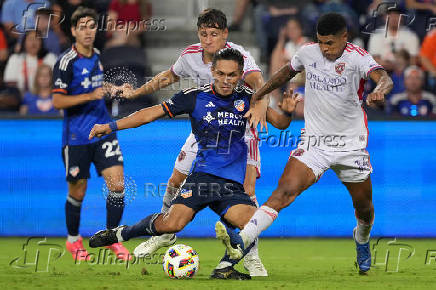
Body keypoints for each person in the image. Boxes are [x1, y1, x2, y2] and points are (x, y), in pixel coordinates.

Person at [87, 48, 300, 279]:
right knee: (171, 224)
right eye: (221, 73)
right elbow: (150, 114)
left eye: (232, 75)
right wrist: (110, 126)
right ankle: (122, 234)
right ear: (212, 71)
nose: (226, 80)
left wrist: (287, 112)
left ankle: (224, 268)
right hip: (201, 179)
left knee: (253, 224)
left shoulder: (247, 99)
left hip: (231, 186)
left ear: (240, 75)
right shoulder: (194, 96)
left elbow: (279, 123)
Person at [218, 13, 393, 275]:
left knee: (364, 209)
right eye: (321, 42)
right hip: (314, 142)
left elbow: (384, 77)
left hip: (351, 146)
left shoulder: (358, 57)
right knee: (283, 193)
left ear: (345, 38)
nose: (325, 49)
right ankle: (238, 244)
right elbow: (285, 72)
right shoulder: (307, 53)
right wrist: (260, 93)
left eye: (330, 44)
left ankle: (362, 239)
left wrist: (380, 90)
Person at [115, 8, 269, 276]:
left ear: (225, 35)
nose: (208, 39)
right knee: (175, 180)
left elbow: (260, 83)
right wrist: (137, 92)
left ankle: (250, 255)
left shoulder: (239, 56)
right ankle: (165, 233)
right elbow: (168, 77)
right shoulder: (190, 56)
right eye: (203, 34)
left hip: (239, 131)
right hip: (204, 128)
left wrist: (261, 106)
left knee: (247, 190)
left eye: (214, 34)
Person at [51, 7, 130, 261]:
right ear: (73, 31)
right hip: (76, 137)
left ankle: (111, 239)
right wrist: (90, 96)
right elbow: (57, 102)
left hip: (103, 131)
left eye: (91, 26)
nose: (87, 31)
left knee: (117, 184)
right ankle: (74, 241)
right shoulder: (66, 62)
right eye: (82, 26)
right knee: (78, 191)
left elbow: (97, 87)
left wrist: (114, 89)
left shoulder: (96, 56)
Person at [3, 30, 57, 95]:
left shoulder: (50, 58)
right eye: (30, 39)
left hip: (45, 97)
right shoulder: (15, 58)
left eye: (37, 39)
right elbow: (10, 83)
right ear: (24, 42)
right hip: (21, 98)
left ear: (41, 42)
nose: (33, 43)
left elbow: (56, 81)